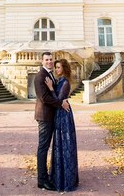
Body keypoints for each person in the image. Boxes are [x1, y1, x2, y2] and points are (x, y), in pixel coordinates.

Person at [35, 52, 70, 191]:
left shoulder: (50, 75)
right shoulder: (40, 76)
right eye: (47, 60)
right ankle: (42, 180)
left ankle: (46, 177)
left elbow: (56, 91)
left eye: (51, 59)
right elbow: (44, 98)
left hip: (51, 116)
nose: (49, 62)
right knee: (43, 148)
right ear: (42, 61)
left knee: (46, 147)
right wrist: (60, 103)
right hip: (44, 116)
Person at [46, 58, 79, 192]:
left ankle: (67, 179)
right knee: (59, 144)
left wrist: (50, 88)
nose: (56, 70)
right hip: (59, 113)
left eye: (58, 67)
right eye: (56, 67)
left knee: (65, 144)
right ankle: (59, 177)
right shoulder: (60, 80)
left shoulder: (65, 82)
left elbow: (59, 99)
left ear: (64, 68)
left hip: (64, 115)